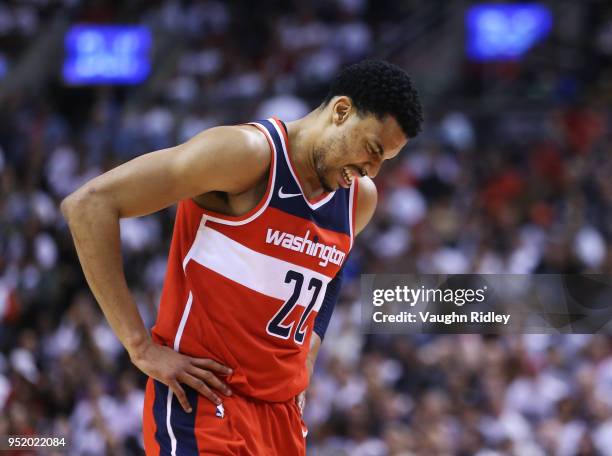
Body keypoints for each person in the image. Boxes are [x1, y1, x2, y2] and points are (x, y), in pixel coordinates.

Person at [61, 60, 423, 455]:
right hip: (204, 402)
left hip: (281, 417)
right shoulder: (248, 156)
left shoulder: (358, 199)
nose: (372, 169)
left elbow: (331, 270)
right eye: (372, 149)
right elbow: (89, 205)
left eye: (384, 160)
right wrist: (140, 346)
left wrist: (312, 345)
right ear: (341, 111)